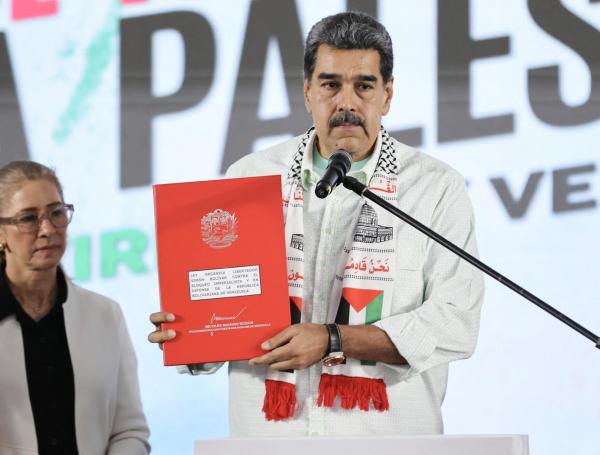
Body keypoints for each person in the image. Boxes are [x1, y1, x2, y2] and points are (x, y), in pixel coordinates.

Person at [149, 11, 484, 436]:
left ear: (387, 95)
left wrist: (333, 339)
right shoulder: (250, 178)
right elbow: (230, 314)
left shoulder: (434, 188)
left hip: (385, 440)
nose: (347, 103)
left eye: (364, 86)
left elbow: (455, 322)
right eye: (330, 85)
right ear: (308, 92)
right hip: (271, 439)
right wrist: (191, 333)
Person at [0, 161, 150, 454]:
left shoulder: (105, 315)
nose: (47, 229)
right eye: (28, 218)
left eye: (56, 213)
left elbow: (129, 430)